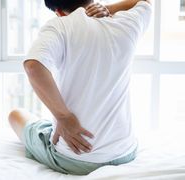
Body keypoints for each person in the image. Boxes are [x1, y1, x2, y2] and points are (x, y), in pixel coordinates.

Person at [8, 0, 152, 175]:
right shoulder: (127, 23)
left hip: (76, 159)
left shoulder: (61, 26)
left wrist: (64, 117)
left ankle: (53, 124)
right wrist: (108, 8)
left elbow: (33, 66)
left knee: (15, 114)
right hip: (124, 153)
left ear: (59, 12)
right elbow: (145, 2)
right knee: (46, 123)